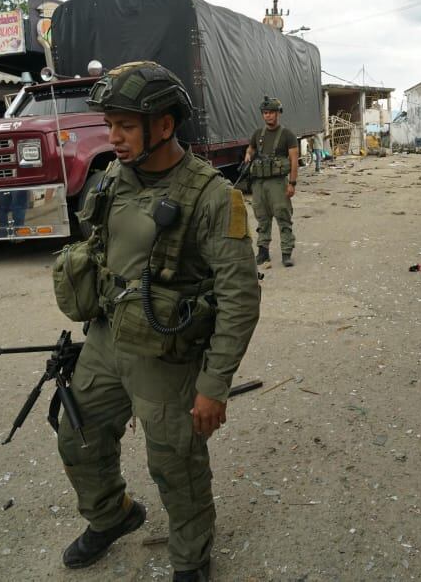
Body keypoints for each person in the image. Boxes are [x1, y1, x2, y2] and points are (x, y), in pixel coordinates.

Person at [56, 61, 260, 582]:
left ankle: (191, 558)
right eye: (111, 125)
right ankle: (113, 515)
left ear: (164, 126)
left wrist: (214, 384)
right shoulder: (111, 180)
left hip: (165, 354)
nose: (114, 137)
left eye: (125, 126)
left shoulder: (214, 196)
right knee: (78, 434)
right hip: (106, 340)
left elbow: (239, 297)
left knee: (175, 463)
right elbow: (98, 250)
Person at [244, 96, 299, 267]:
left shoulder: (287, 135)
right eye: (265, 113)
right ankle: (263, 252)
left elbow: (294, 160)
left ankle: (286, 253)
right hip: (259, 183)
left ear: (278, 114)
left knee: (283, 216)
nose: (268, 116)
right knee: (262, 218)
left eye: (271, 113)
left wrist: (292, 183)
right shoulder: (257, 134)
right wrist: (248, 154)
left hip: (277, 183)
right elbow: (251, 148)